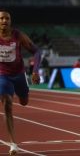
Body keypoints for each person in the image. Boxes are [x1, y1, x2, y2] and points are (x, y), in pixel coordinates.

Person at [0, 9, 41, 155]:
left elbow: (36, 51)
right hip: (3, 76)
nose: (5, 21)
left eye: (7, 18)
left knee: (24, 101)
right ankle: (13, 144)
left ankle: (21, 94)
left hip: (19, 75)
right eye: (2, 18)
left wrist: (35, 71)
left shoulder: (17, 35)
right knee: (7, 105)